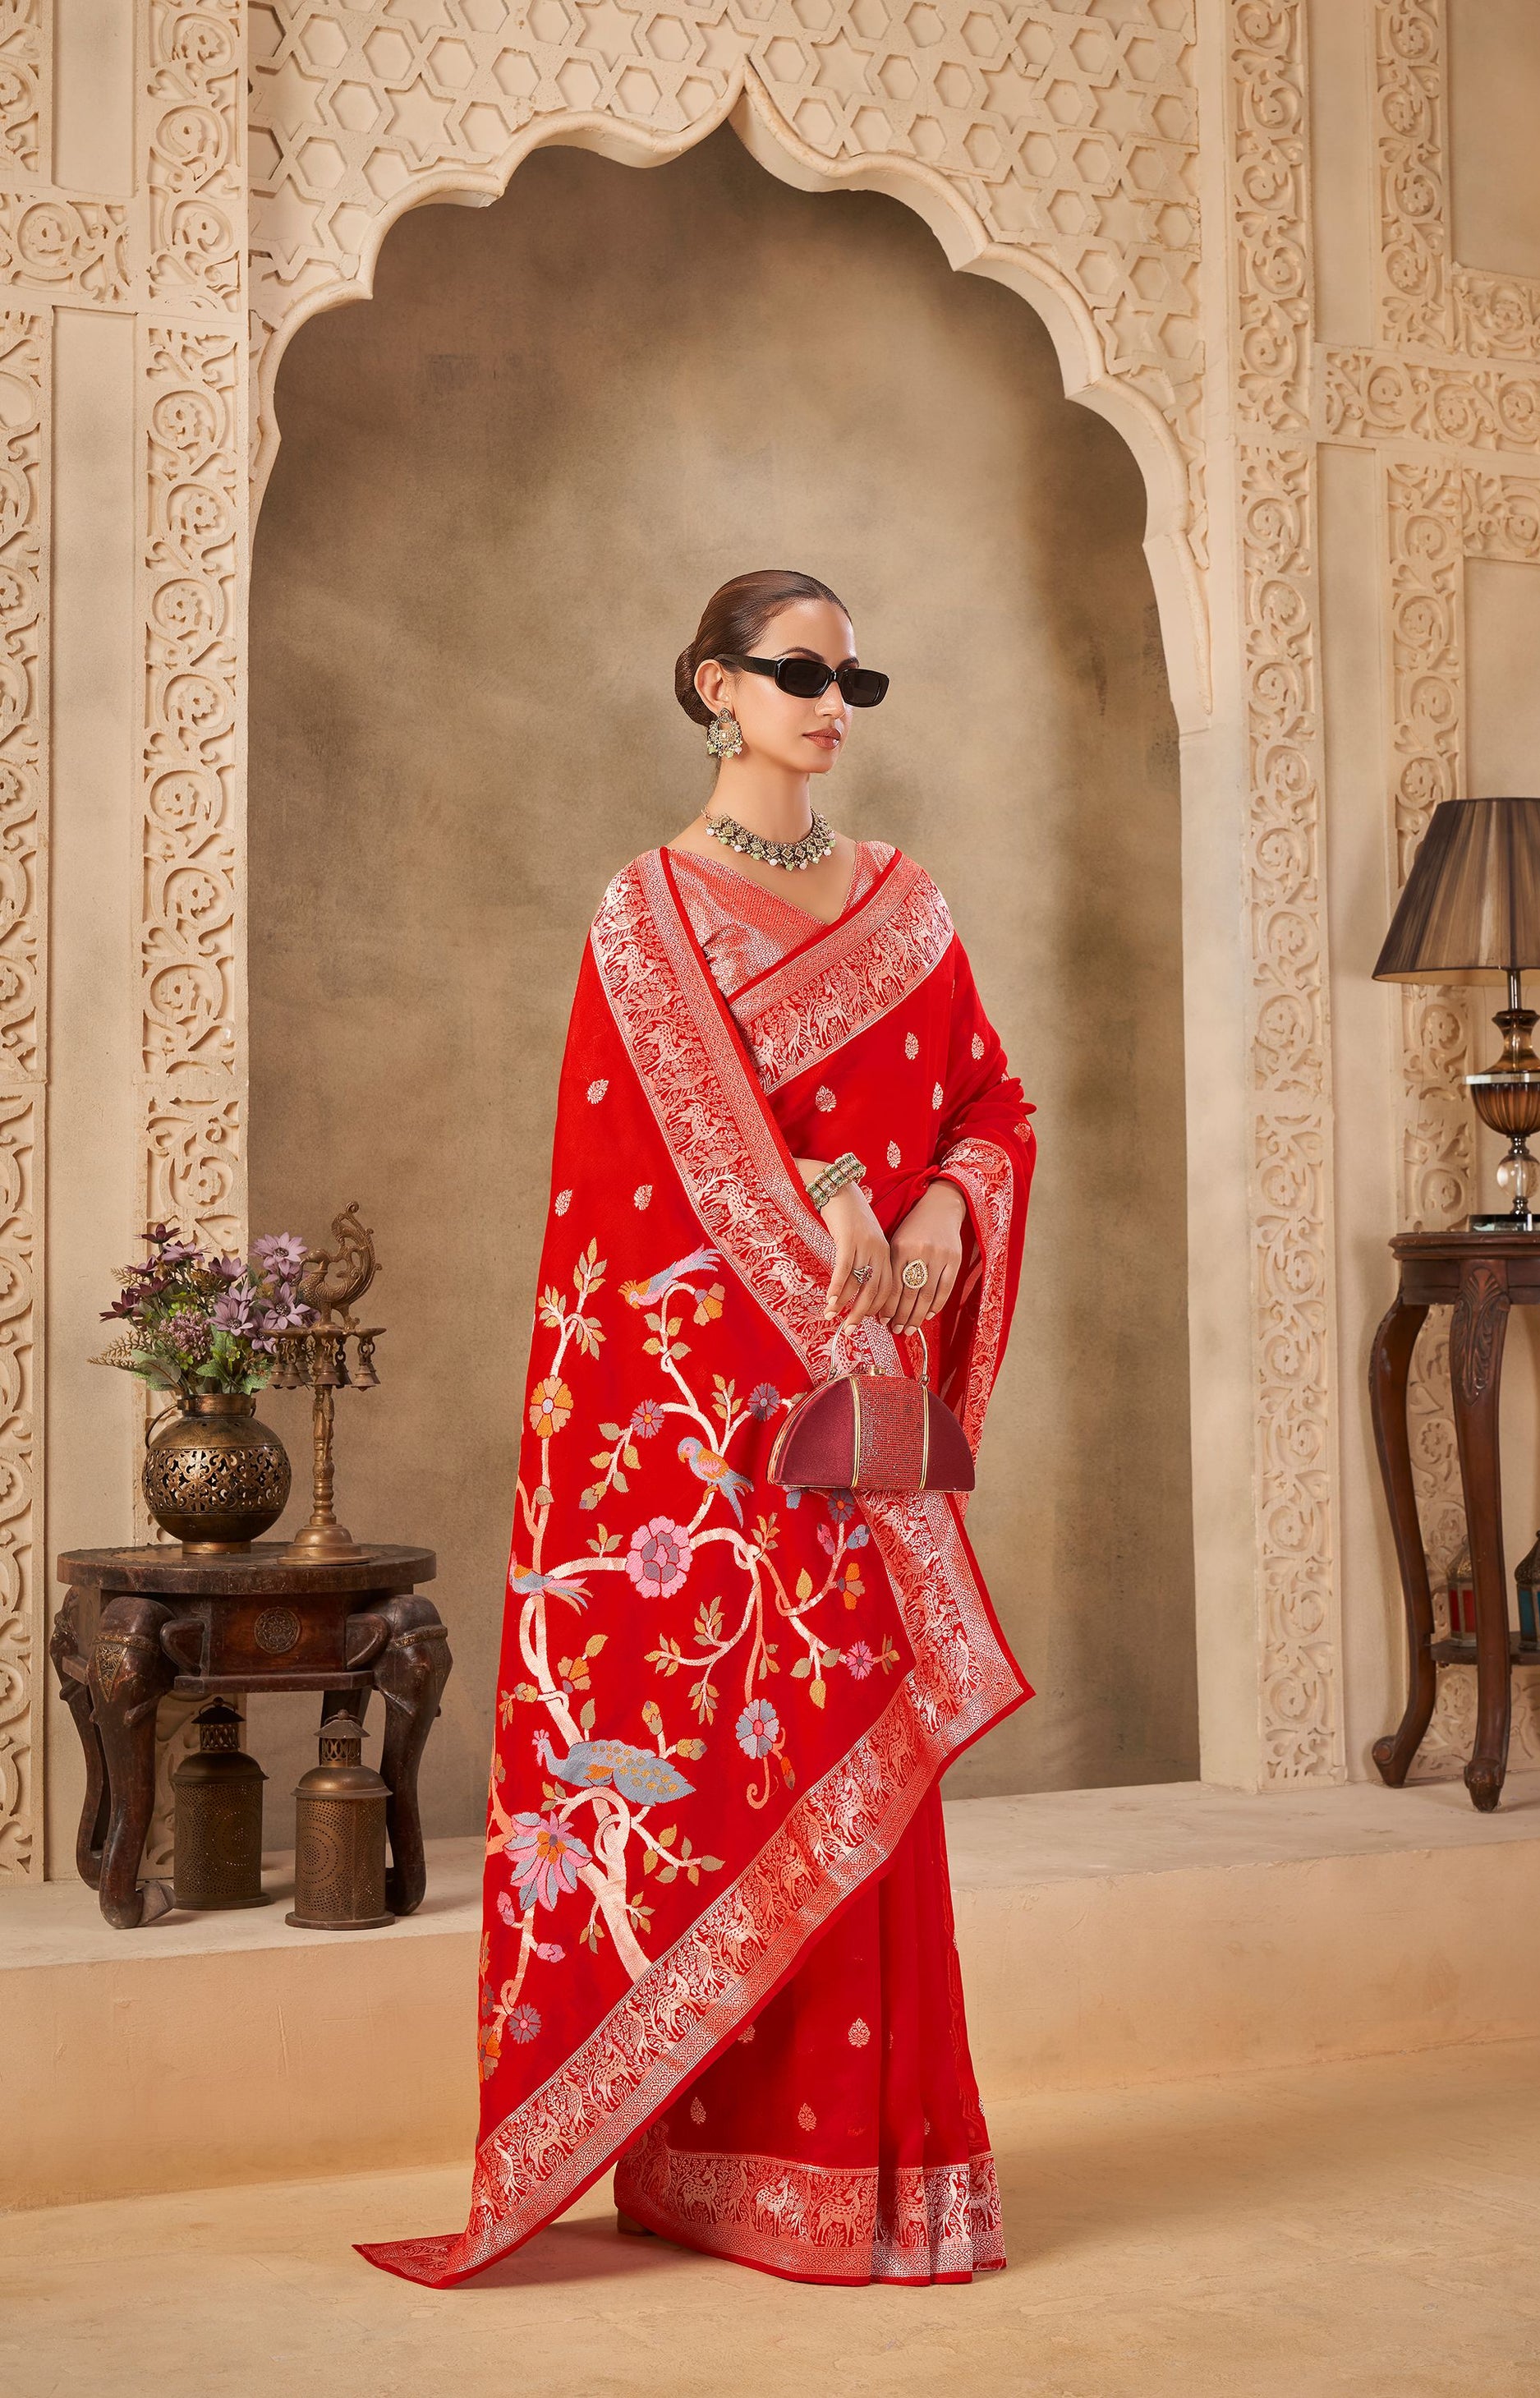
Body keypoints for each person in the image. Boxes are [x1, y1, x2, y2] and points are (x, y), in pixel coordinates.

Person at [361, 568, 1036, 2290]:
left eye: (852, 679)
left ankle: (867, 2183)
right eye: (800, 673)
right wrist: (823, 1201)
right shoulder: (647, 911)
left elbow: (989, 1103)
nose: (830, 704)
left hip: (859, 1423)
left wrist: (943, 1206)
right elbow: (627, 1191)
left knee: (862, 1766)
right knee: (723, 1767)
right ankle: (700, 2174)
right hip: (715, 1437)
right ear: (713, 687)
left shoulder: (905, 900)